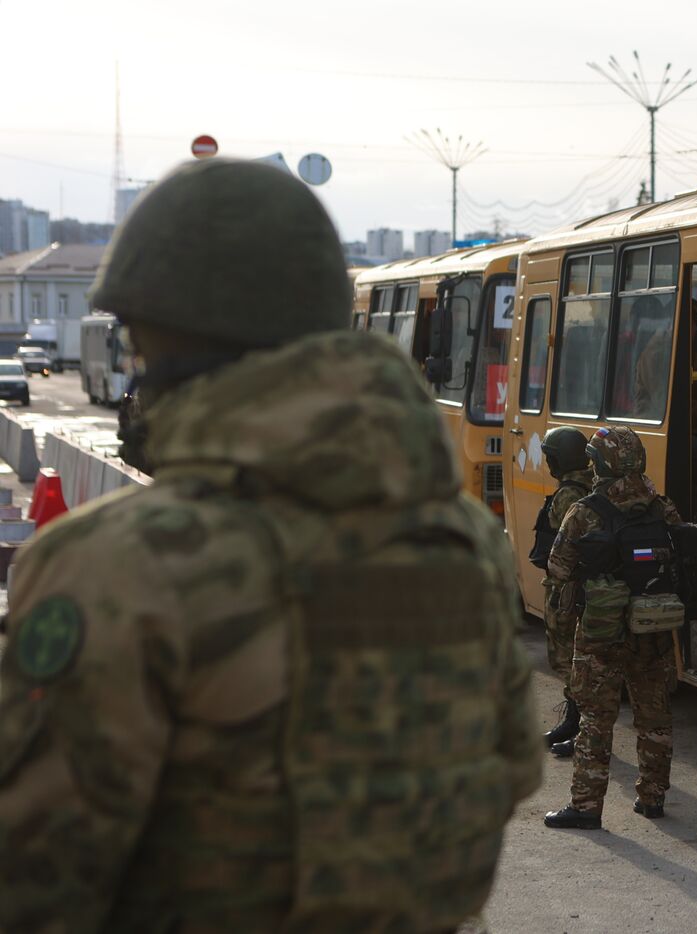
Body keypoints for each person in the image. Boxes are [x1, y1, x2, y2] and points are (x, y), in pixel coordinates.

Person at [0, 158, 541, 932]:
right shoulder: (462, 544)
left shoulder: (123, 566)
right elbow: (512, 772)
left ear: (159, 333)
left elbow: (32, 883)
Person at [543, 426, 682, 829]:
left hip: (601, 634)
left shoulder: (586, 510)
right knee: (654, 716)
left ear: (600, 464)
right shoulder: (661, 507)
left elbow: (558, 569)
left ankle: (586, 807)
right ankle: (652, 798)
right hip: (651, 626)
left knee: (596, 720)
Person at [532, 425, 594, 757]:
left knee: (570, 660)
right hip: (575, 588)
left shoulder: (570, 494)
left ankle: (583, 729)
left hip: (567, 589)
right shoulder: (589, 485)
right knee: (573, 661)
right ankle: (575, 722)